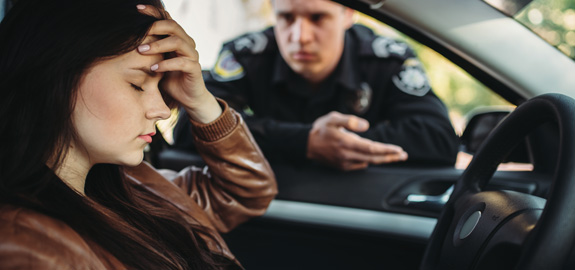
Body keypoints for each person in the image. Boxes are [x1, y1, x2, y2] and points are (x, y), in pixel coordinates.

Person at [0, 0, 277, 269]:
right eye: (136, 84)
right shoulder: (28, 245)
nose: (162, 110)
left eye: (160, 86)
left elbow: (247, 192)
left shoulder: (134, 185)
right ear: (54, 75)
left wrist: (201, 101)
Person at [172, 0, 459, 171]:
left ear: (348, 14)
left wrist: (339, 144)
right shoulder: (246, 54)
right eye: (286, 17)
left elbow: (438, 138)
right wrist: (304, 141)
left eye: (317, 17)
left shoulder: (386, 58)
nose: (300, 36)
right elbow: (189, 127)